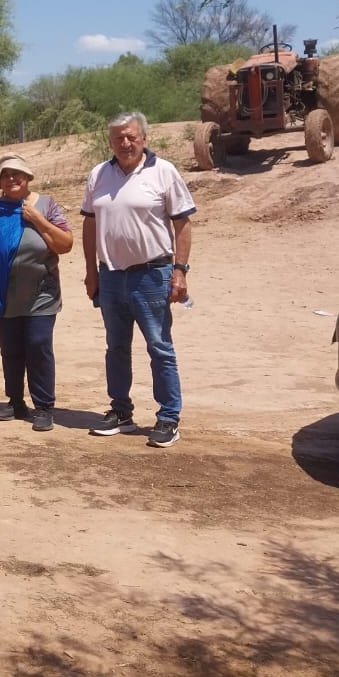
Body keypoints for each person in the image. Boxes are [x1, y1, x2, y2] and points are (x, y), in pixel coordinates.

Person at [81, 111, 195, 449]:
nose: (125, 143)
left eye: (131, 136)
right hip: (111, 276)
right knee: (116, 347)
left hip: (153, 274)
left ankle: (168, 417)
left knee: (159, 347)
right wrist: (91, 270)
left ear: (144, 138)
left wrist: (180, 271)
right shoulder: (99, 174)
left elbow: (183, 224)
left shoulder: (164, 172)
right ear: (110, 141)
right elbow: (90, 224)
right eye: (118, 138)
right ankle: (120, 412)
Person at [0, 153, 73, 432]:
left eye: (18, 174)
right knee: (10, 349)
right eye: (6, 175)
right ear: (0, 181)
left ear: (28, 178)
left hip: (42, 293)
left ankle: (44, 407)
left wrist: (37, 219)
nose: (12, 179)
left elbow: (65, 243)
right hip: (5, 293)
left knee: (38, 345)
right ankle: (15, 401)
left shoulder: (47, 205)